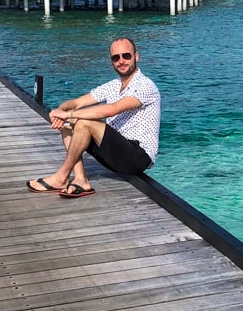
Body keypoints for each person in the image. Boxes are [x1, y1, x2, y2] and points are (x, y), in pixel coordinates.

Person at [27, 37, 160, 198]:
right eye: (116, 57)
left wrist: (67, 114)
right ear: (111, 61)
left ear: (136, 57)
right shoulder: (113, 86)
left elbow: (111, 110)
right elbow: (77, 102)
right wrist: (61, 110)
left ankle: (61, 177)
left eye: (126, 56)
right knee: (69, 124)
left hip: (137, 157)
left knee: (83, 123)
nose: (121, 61)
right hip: (115, 154)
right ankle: (81, 179)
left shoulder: (146, 86)